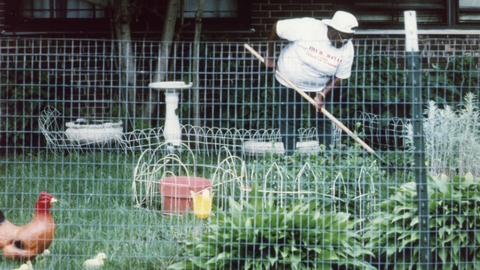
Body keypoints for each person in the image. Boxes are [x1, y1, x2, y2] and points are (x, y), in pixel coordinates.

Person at [265, 11, 358, 154]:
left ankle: (327, 156)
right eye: (343, 38)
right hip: (288, 80)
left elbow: (340, 76)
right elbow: (276, 27)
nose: (345, 43)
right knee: (290, 118)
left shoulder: (347, 48)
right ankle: (290, 156)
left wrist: (321, 94)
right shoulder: (308, 27)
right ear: (333, 30)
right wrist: (270, 55)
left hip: (319, 86)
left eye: (349, 39)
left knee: (324, 119)